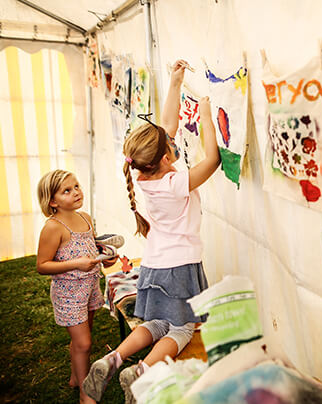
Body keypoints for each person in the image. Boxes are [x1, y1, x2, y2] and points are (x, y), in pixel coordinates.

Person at [83, 60, 220, 403]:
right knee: (183, 328)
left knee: (158, 322)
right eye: (169, 144)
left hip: (155, 266)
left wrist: (175, 82)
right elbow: (213, 160)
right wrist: (205, 113)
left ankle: (112, 358)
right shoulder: (175, 182)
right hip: (180, 267)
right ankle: (141, 371)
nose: (172, 139)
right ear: (164, 157)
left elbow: (166, 127)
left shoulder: (145, 177)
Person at [36, 169, 118, 404]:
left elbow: (92, 248)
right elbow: (42, 265)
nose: (76, 193)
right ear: (52, 201)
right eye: (67, 191)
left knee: (83, 339)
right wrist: (76, 264)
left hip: (90, 288)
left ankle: (75, 377)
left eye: (77, 186)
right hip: (68, 294)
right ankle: (85, 392)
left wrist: (105, 257)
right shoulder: (53, 227)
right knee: (84, 343)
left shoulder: (85, 218)